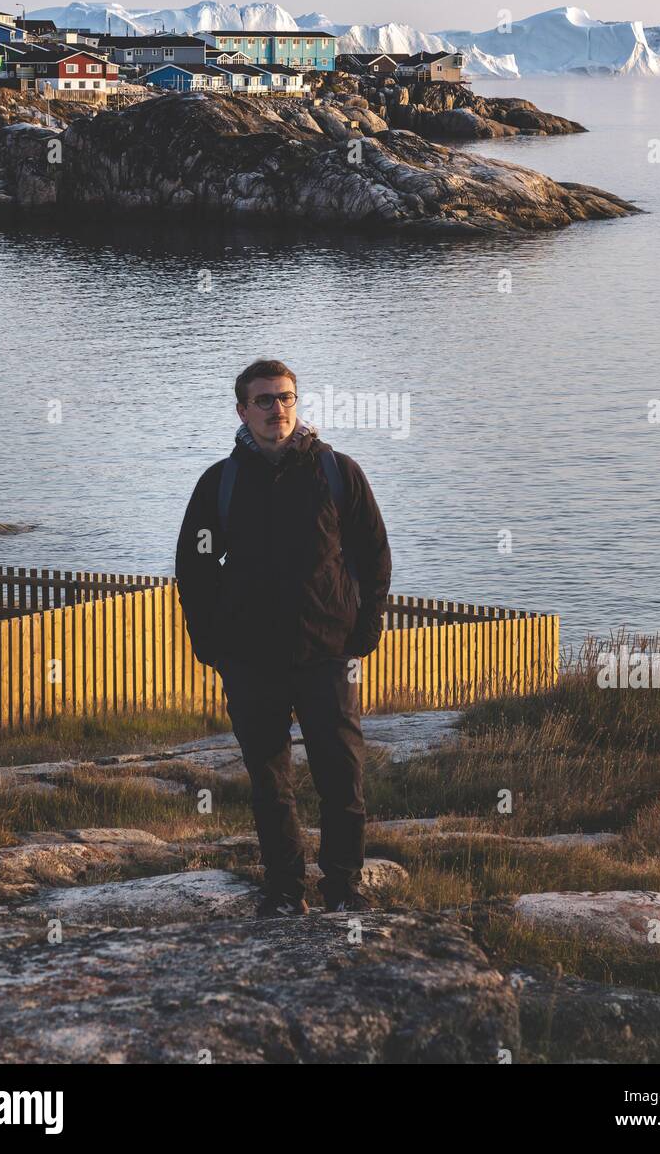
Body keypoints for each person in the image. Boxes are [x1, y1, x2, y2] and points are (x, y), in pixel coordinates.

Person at [175, 359, 392, 917]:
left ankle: (343, 889)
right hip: (250, 660)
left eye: (288, 398)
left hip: (328, 653)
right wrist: (209, 643)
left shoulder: (338, 472)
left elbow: (373, 556)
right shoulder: (219, 484)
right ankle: (284, 891)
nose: (279, 410)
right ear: (242, 410)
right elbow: (195, 567)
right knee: (270, 784)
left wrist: (363, 633)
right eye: (266, 400)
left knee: (341, 777)